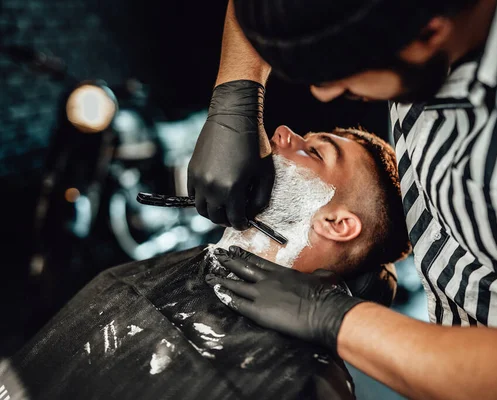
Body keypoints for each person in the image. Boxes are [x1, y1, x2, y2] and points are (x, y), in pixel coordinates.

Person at [188, 0, 497, 398]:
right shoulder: (400, 28)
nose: (324, 93)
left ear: (428, 34)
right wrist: (237, 91)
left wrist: (331, 317)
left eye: (339, 72)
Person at [2, 126, 410, 400]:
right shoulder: (174, 269)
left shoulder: (303, 382)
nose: (283, 132)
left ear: (337, 224)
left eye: (315, 151)